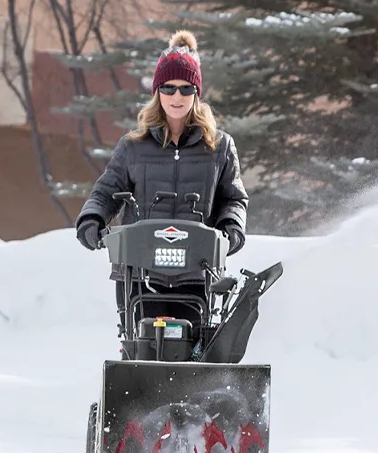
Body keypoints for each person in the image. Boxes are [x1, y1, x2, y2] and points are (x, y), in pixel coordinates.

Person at [74, 30, 249, 329]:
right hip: (140, 273)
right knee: (143, 343)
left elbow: (233, 199)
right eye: (168, 88)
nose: (176, 97)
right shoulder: (133, 146)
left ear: (196, 93)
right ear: (157, 92)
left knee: (195, 347)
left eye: (185, 89)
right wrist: (92, 219)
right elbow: (106, 192)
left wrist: (230, 228)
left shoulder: (219, 147)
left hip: (198, 273)